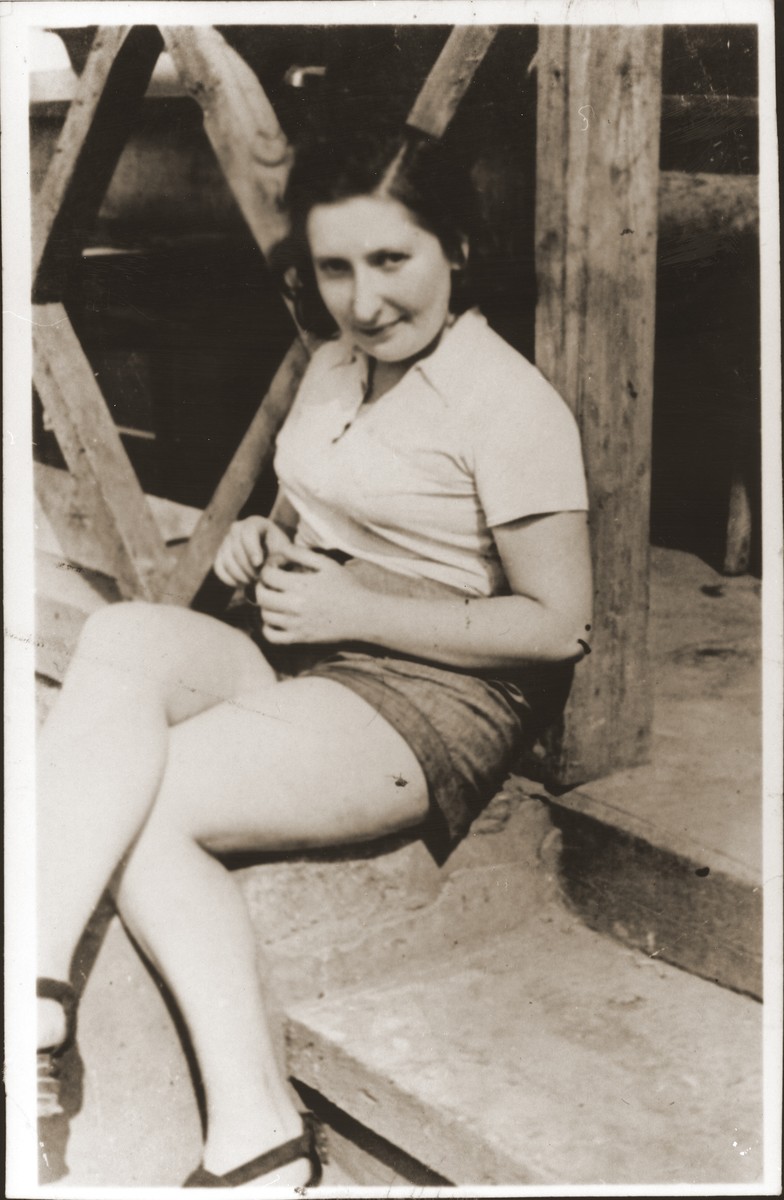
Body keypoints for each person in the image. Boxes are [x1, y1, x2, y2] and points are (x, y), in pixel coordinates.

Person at [36, 118, 591, 1188]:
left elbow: (557, 625)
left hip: (433, 699)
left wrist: (351, 608)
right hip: (312, 655)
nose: (363, 298)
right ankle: (38, 985)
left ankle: (259, 1137)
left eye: (392, 259)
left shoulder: (508, 404)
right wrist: (267, 543)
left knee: (155, 802)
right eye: (335, 266)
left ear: (456, 252)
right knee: (118, 636)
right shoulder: (335, 366)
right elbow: (327, 516)